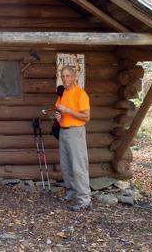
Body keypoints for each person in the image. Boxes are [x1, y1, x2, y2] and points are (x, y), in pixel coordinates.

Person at [55, 65, 91, 211]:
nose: (65, 78)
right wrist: (58, 116)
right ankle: (71, 194)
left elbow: (86, 116)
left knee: (78, 167)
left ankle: (84, 200)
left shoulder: (80, 93)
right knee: (66, 166)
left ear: (74, 77)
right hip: (63, 131)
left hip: (76, 132)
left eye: (68, 76)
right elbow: (59, 111)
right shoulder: (62, 93)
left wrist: (68, 111)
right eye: (63, 76)